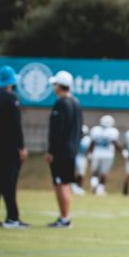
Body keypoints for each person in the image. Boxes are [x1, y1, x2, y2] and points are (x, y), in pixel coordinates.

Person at [45, 70, 82, 228]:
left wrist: (52, 151)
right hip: (71, 150)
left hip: (61, 152)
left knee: (61, 184)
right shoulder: (75, 102)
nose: (54, 87)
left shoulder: (62, 104)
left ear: (60, 86)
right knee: (64, 183)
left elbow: (58, 131)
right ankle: (64, 217)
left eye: (55, 84)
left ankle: (65, 218)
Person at [0, 65, 29, 228]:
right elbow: (16, 126)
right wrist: (21, 147)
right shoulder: (11, 98)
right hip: (8, 149)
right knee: (9, 182)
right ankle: (12, 217)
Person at [87, 115, 121, 196]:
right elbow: (115, 143)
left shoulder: (96, 130)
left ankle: (94, 184)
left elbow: (92, 143)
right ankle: (100, 189)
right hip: (108, 154)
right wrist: (122, 151)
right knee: (103, 173)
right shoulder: (113, 131)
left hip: (97, 153)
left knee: (95, 171)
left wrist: (89, 152)